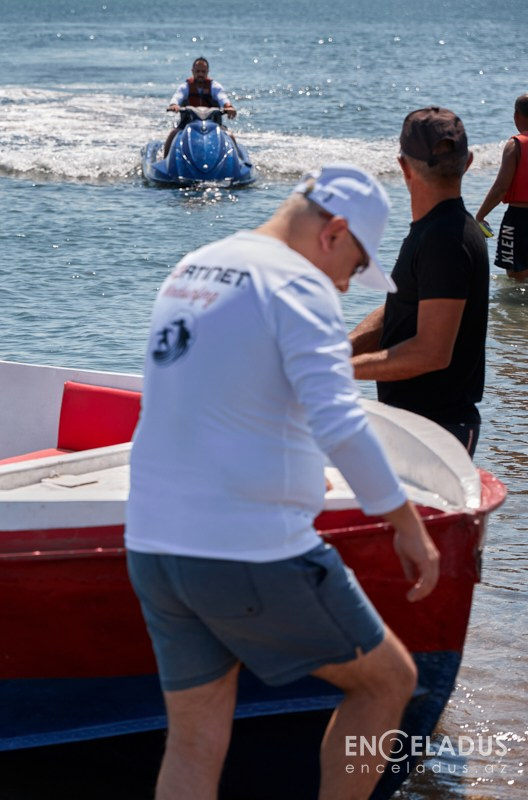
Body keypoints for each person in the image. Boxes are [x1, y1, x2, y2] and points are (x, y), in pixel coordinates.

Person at [125, 164, 439, 800]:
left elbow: (212, 405)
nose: (346, 286)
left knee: (192, 742)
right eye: (353, 268)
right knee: (386, 683)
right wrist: (406, 524)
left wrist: (286, 468)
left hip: (154, 548)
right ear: (336, 232)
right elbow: (340, 420)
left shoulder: (194, 268)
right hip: (246, 551)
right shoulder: (298, 286)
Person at [350, 107, 489, 457]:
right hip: (417, 424)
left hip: (436, 430)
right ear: (468, 161)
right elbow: (405, 307)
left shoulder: (445, 238)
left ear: (403, 166)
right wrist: (340, 348)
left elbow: (431, 352)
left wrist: (335, 371)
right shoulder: (437, 230)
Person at [475, 93, 528, 280]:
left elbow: (500, 188)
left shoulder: (516, 145)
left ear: (516, 116)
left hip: (519, 219)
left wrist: (480, 216)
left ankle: (518, 310)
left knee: (517, 275)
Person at [163, 57, 237, 156]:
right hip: (187, 123)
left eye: (203, 71)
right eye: (198, 71)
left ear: (207, 72)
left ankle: (239, 161)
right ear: (193, 71)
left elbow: (223, 98)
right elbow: (177, 97)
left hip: (213, 124)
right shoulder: (185, 87)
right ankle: (166, 159)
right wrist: (174, 105)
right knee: (173, 134)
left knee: (230, 136)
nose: (200, 74)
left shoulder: (215, 87)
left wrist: (228, 107)